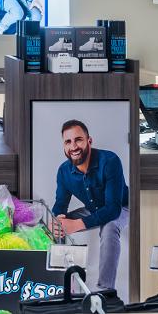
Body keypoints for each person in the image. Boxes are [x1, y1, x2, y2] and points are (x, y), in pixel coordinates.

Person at [51, 119, 129, 292]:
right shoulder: (64, 171)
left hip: (121, 206)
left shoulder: (110, 161)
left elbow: (113, 208)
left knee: (109, 228)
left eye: (78, 139)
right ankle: (64, 287)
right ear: (64, 146)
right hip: (93, 209)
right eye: (68, 142)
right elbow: (60, 204)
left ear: (89, 141)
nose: (73, 146)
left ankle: (105, 291)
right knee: (57, 226)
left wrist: (77, 224)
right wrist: (58, 218)